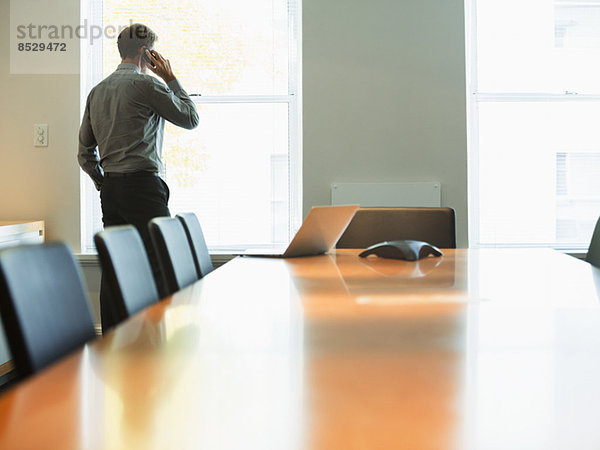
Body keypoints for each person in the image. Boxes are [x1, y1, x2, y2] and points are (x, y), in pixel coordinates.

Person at [78, 23, 199, 332]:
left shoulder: (97, 92)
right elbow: (189, 118)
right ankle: (156, 341)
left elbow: (85, 153)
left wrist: (104, 182)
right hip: (144, 187)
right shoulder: (148, 85)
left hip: (113, 190)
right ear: (148, 52)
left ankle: (114, 341)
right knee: (161, 263)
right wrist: (170, 78)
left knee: (116, 263)